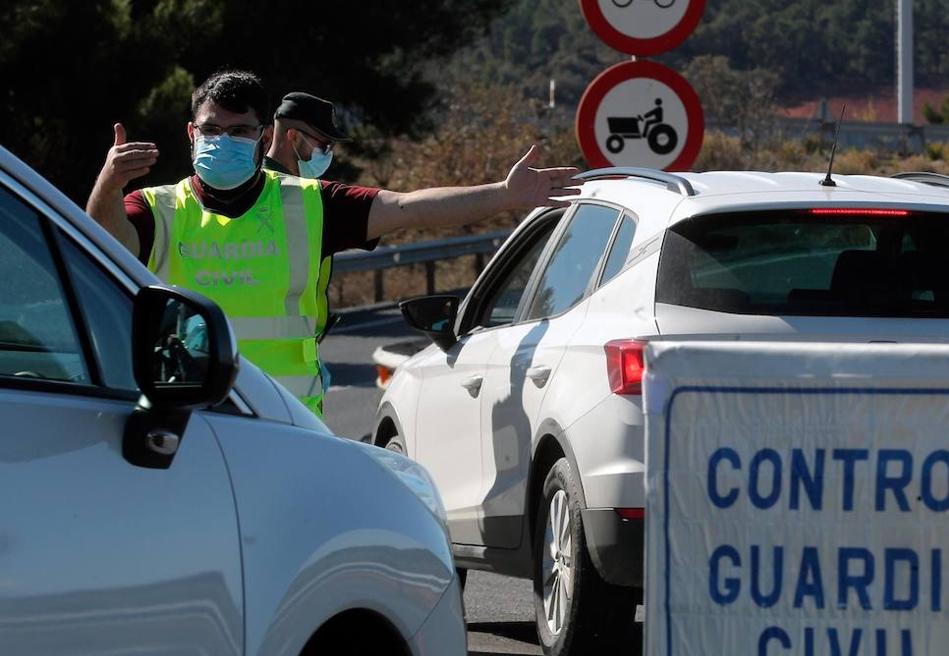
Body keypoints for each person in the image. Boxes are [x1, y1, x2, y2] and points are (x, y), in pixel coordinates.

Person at [86, 69, 579, 416]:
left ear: (261, 138)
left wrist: (504, 194)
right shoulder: (158, 208)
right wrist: (108, 185)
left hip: (287, 418)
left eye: (238, 131)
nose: (223, 140)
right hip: (189, 414)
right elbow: (108, 240)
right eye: (212, 129)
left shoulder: (309, 203)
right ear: (191, 134)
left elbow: (410, 207)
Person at [265, 91, 344, 178]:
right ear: (294, 136)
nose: (328, 154)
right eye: (324, 145)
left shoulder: (308, 186)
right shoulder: (256, 183)